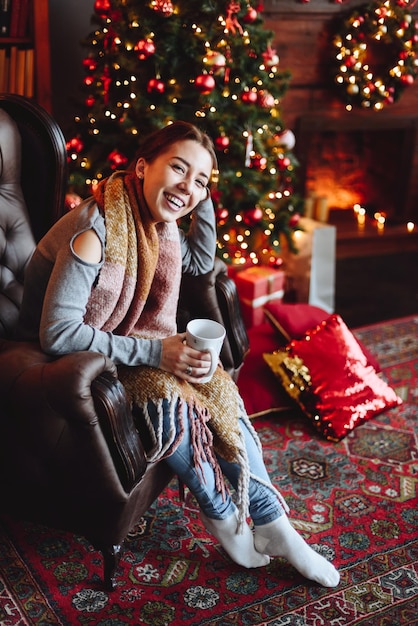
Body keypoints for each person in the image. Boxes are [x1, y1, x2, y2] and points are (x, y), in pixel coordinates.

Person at [17, 121, 339, 588]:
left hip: (123, 341)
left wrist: (200, 203)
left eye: (202, 180)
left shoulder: (158, 224)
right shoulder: (95, 230)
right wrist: (155, 353)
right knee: (172, 400)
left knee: (219, 388)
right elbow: (57, 333)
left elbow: (199, 263)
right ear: (143, 166)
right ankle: (226, 520)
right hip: (59, 359)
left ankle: (272, 523)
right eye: (179, 169)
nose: (188, 186)